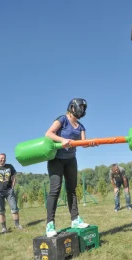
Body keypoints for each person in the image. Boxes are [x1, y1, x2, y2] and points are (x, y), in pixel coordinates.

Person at [44, 98, 95, 237]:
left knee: (72, 190)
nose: (83, 110)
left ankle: (75, 219)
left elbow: (83, 143)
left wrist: (90, 143)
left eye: (84, 108)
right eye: (81, 107)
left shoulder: (81, 126)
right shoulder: (62, 119)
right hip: (56, 160)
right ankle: (50, 224)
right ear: (73, 107)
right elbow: (48, 133)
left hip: (71, 160)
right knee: (55, 190)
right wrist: (62, 140)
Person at [0, 153, 23, 234]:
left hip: (9, 191)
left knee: (14, 208)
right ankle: (4, 228)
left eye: (4, 158)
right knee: (1, 210)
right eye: (1, 158)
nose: (3, 159)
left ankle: (17, 225)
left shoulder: (10, 166)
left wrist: (12, 187)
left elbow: (14, 176)